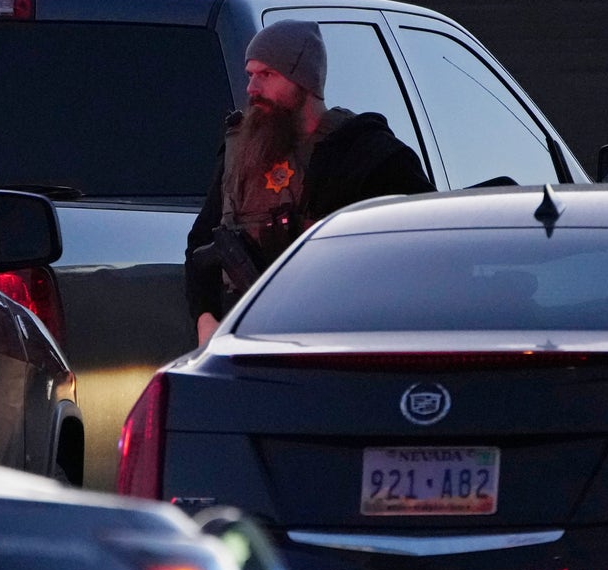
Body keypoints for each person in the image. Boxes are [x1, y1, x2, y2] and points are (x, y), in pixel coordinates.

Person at [185, 19, 435, 344]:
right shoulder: (239, 151)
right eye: (250, 74)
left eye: (267, 75)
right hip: (244, 342)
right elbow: (200, 245)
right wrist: (206, 321)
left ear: (303, 81)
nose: (251, 89)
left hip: (334, 342)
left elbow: (426, 248)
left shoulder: (368, 154)